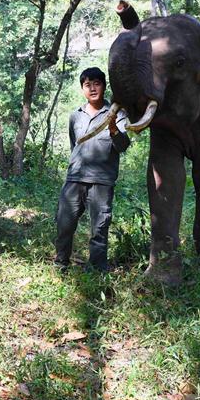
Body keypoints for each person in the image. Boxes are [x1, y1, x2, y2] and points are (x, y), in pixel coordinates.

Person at [54, 67, 130, 272]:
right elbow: (75, 146)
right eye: (87, 85)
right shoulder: (75, 116)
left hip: (101, 181)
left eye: (97, 83)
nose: (92, 88)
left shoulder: (118, 114)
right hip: (74, 179)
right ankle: (61, 263)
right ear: (82, 89)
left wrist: (113, 127)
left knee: (99, 228)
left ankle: (97, 270)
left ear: (104, 86)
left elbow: (123, 146)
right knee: (64, 223)